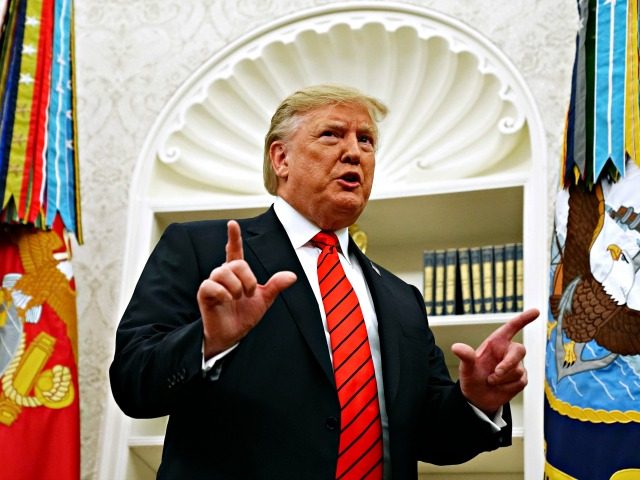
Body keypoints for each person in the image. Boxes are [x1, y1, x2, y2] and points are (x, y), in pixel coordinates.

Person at [109, 84, 539, 480]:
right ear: (281, 159)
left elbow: (430, 435)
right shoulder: (203, 250)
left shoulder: (401, 299)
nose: (354, 152)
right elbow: (132, 382)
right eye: (332, 135)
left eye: (365, 140)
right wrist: (206, 342)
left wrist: (477, 400)